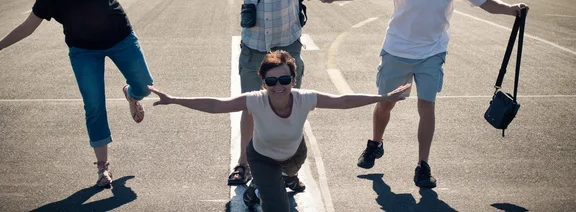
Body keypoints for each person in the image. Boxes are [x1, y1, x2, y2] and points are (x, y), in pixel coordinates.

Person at [149, 0, 388, 185]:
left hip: (287, 47)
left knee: (291, 108)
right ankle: (243, 164)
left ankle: (290, 170)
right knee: (250, 107)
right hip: (254, 48)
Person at [305, 0, 529, 188]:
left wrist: (511, 10)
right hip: (397, 50)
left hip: (432, 53)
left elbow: (484, 1)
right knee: (386, 103)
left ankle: (423, 165)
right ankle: (375, 144)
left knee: (427, 107)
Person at [0, 0, 183, 188]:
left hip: (121, 40)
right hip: (84, 52)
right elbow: (27, 27)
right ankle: (103, 168)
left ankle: (132, 94)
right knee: (94, 105)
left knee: (144, 86)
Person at [149, 50, 410, 212]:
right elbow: (217, 105)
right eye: (271, 81)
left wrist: (382, 97)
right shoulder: (255, 100)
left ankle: (269, 184)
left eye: (284, 79)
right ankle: (260, 187)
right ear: (263, 82)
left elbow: (342, 101)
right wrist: (174, 99)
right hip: (262, 158)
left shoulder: (305, 98)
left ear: (292, 80)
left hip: (295, 153)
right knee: (278, 207)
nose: (278, 85)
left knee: (290, 171)